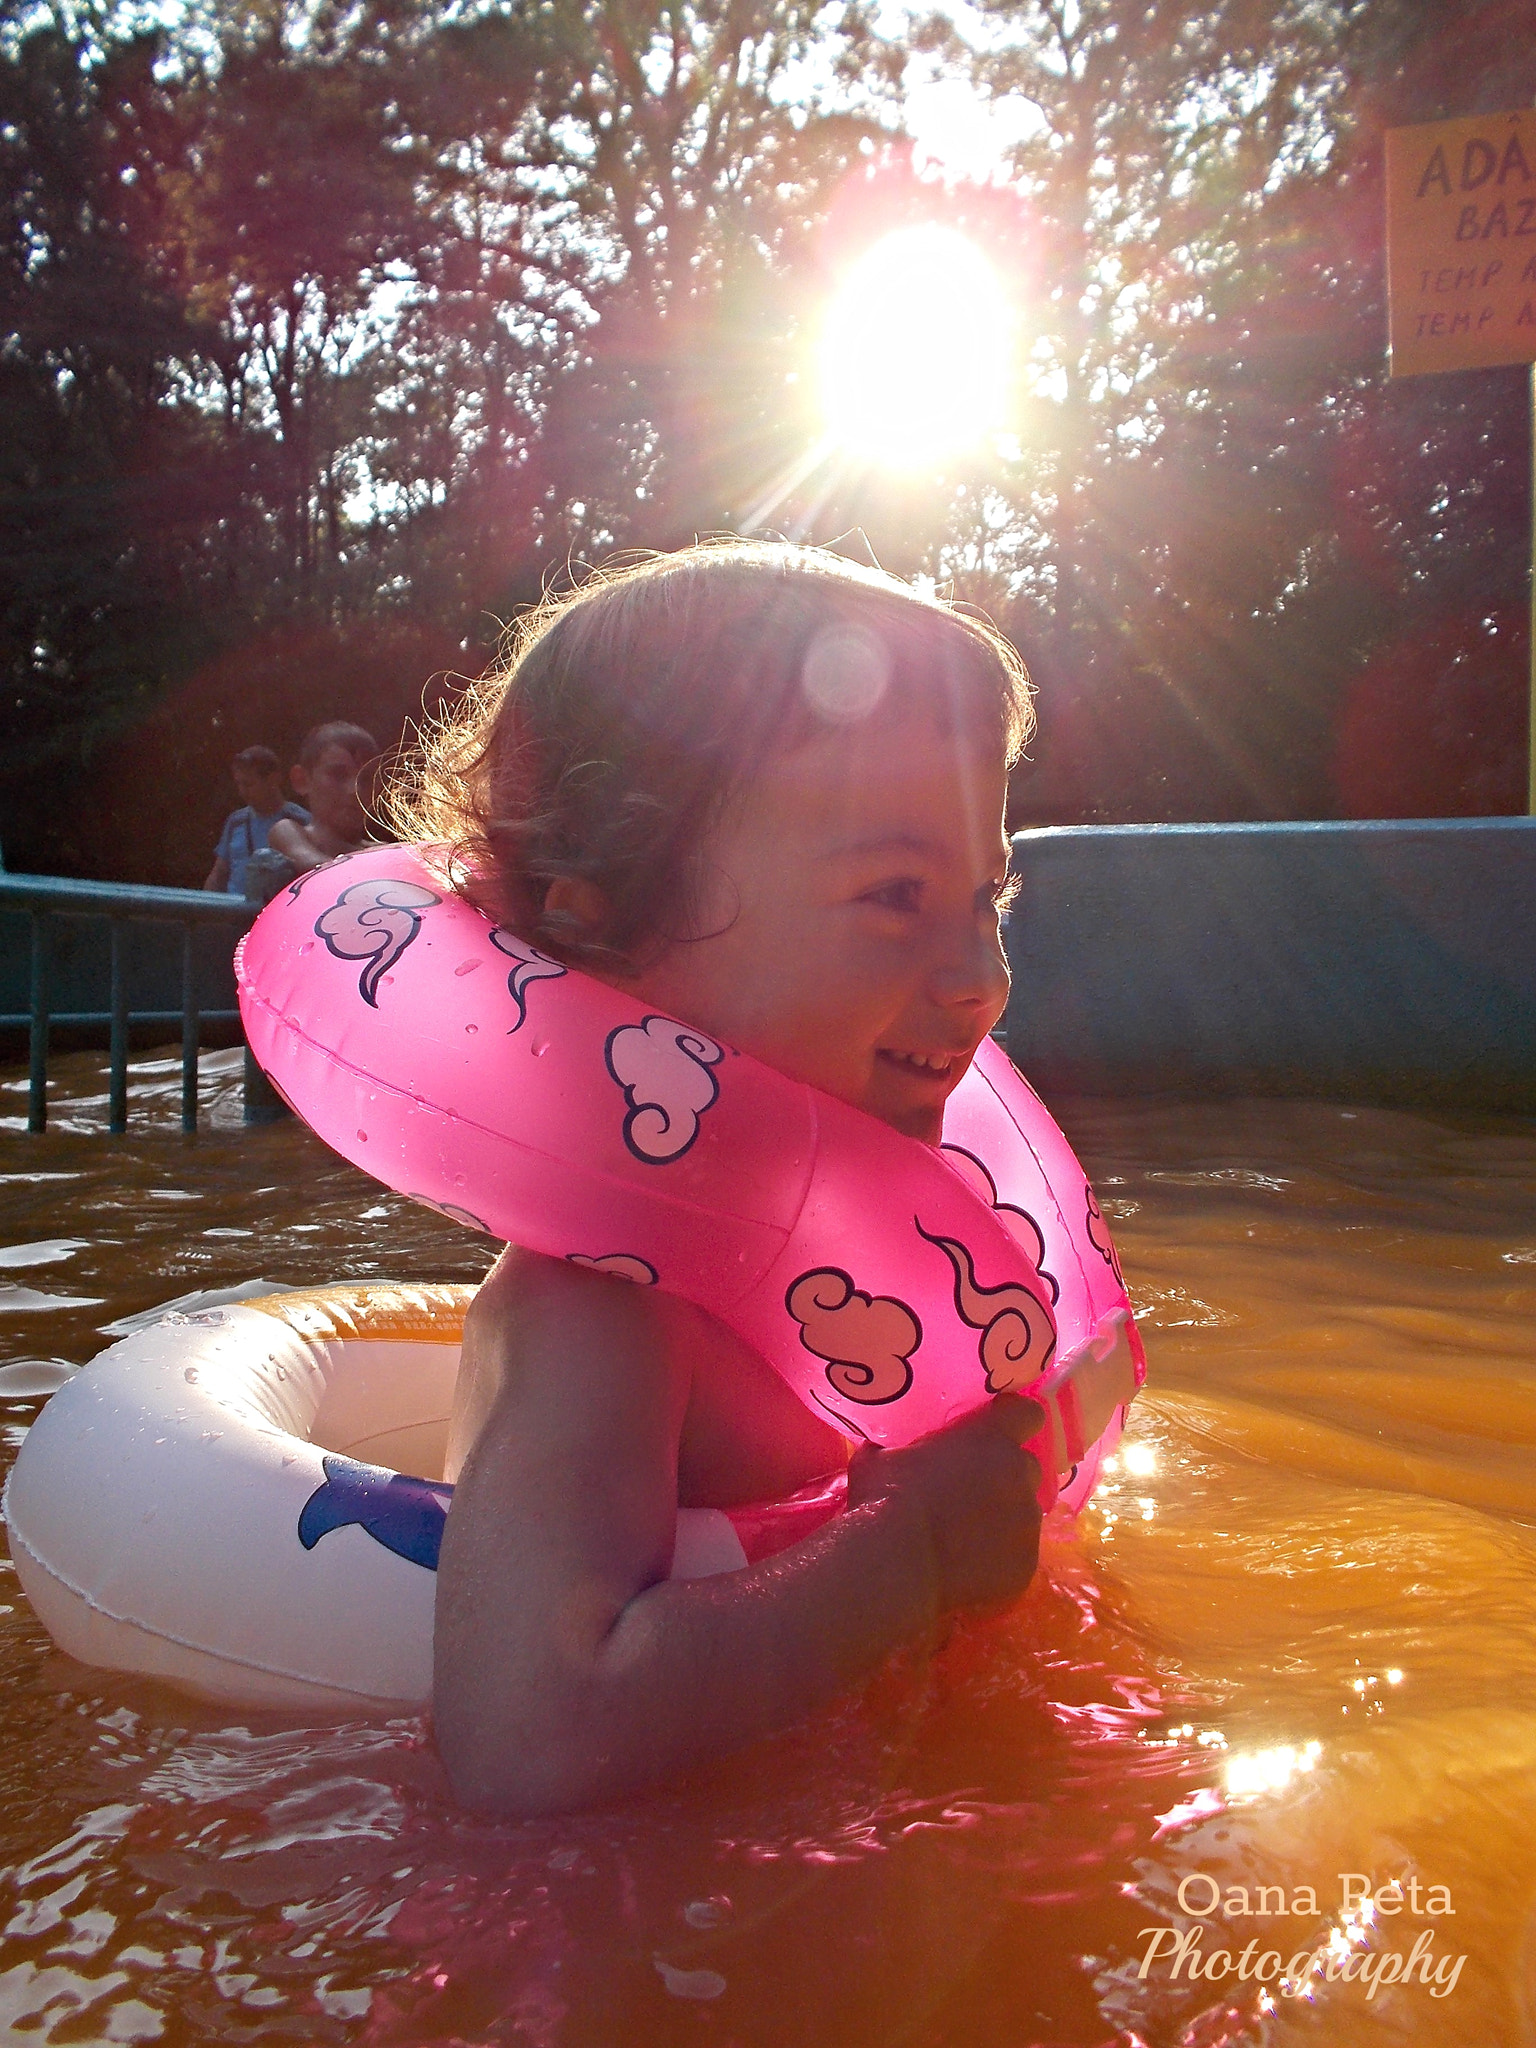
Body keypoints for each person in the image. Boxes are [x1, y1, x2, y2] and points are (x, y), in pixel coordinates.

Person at [394, 542, 1046, 1815]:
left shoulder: (881, 1263)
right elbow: (526, 1732)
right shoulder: (604, 1306)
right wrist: (909, 1551)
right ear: (605, 931)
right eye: (896, 892)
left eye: (989, 893)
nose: (983, 974)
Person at [267, 722, 380, 875]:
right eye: (338, 775)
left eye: (366, 779)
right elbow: (318, 868)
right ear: (301, 780)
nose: (354, 790)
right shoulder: (289, 832)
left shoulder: (380, 850)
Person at [202, 747, 309, 896]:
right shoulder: (236, 821)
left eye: (248, 784)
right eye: (239, 784)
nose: (242, 792)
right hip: (234, 911)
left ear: (273, 779)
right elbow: (219, 874)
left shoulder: (300, 820)